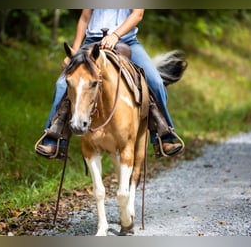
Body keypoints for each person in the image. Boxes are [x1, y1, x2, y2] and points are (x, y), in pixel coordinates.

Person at [35, 9, 183, 158]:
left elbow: (137, 14)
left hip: (127, 41)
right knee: (62, 85)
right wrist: (75, 50)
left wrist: (115, 35)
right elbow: (84, 18)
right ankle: (54, 140)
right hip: (92, 42)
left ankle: (164, 137)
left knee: (156, 82)